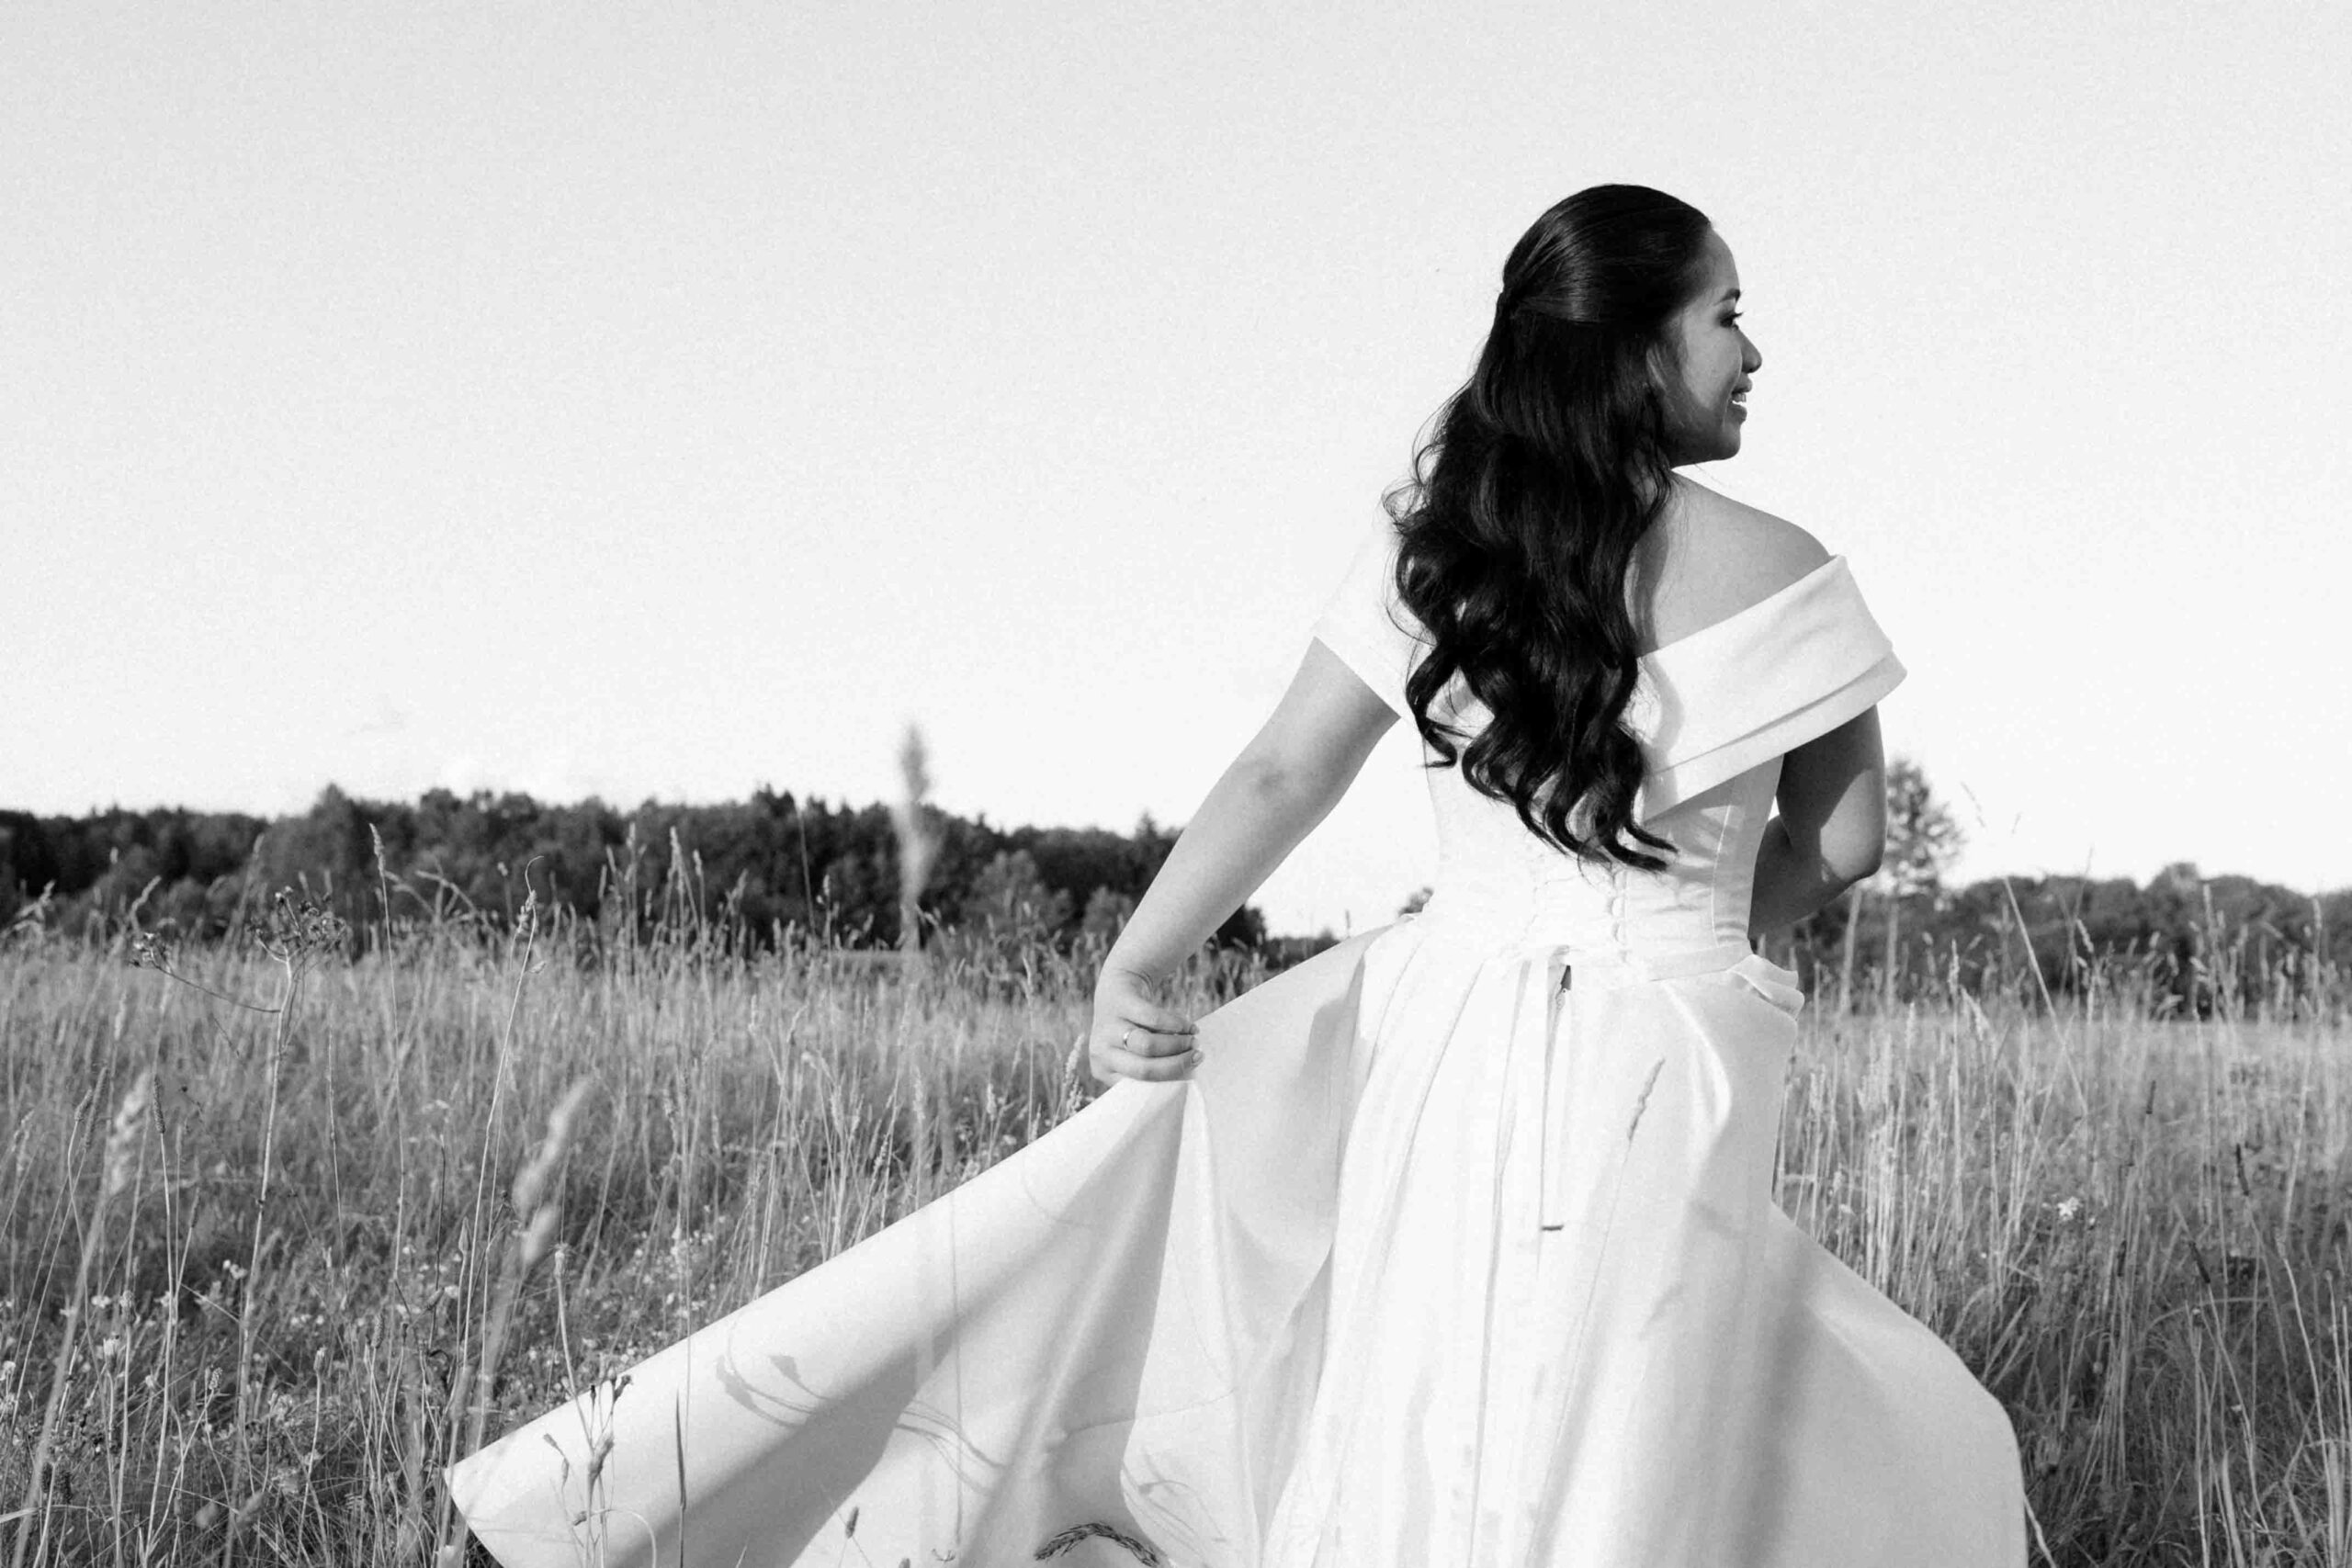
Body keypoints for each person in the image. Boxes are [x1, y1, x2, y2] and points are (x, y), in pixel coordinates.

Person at [448, 185, 2029, 1567]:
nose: (1754, 350)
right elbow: (1848, 840)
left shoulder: (1442, 546)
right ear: (1633, 347)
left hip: (1444, 1030)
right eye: (1727, 315)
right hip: (1672, 1048)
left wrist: (1137, 959)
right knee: (1646, 1387)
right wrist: (1686, 936)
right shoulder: (1789, 567)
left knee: (1416, 1387)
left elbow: (1288, 768)